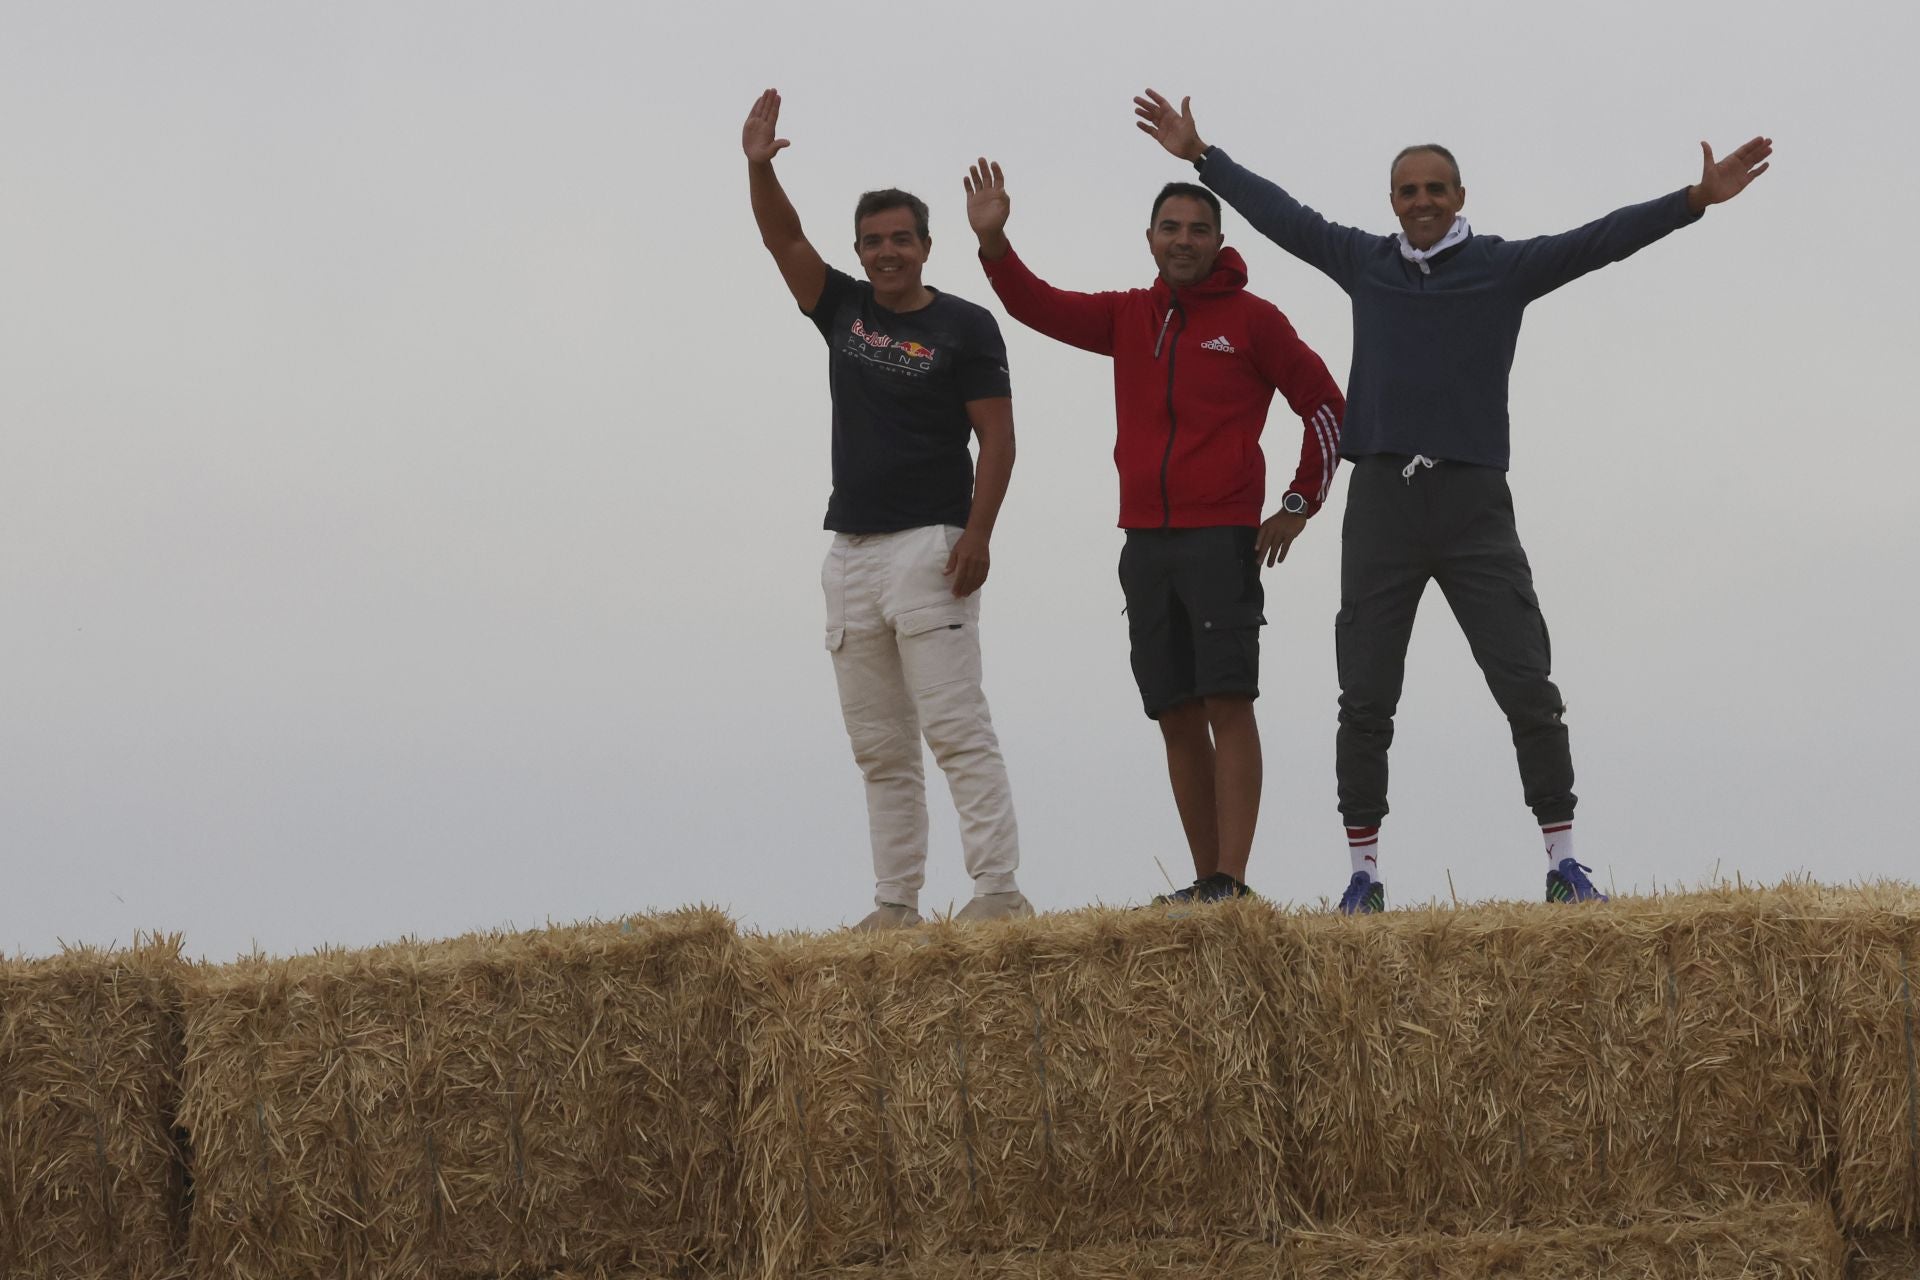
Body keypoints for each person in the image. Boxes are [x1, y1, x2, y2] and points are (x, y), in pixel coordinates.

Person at [1134, 87, 1772, 913]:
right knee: (1364, 696)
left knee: (1527, 682)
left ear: (1460, 198)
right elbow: (1283, 216)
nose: (1423, 201)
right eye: (1408, 190)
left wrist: (1694, 201)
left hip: (1474, 502)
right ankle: (1363, 874)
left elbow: (1600, 242)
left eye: (1437, 189)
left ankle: (1565, 860)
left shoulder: (1502, 268)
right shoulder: (1365, 262)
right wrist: (1201, 156)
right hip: (1382, 504)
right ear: (1392, 203)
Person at [964, 156, 1345, 905]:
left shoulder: (1253, 321)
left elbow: (1328, 404)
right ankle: (1207, 882)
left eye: (1198, 229)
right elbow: (1036, 306)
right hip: (1144, 544)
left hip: (1222, 541)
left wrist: (1300, 504)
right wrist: (994, 244)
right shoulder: (1127, 315)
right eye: (1170, 227)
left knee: (1228, 703)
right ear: (1148, 239)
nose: (1183, 239)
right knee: (1173, 712)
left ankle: (1232, 881)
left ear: (1218, 241)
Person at [742, 89, 1032, 929]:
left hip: (932, 546)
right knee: (880, 750)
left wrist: (979, 533)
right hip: (851, 554)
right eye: (872, 242)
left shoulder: (968, 327)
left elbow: (1001, 441)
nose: (886, 253)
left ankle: (999, 894)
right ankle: (894, 905)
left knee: (955, 728)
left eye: (901, 239)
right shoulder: (843, 309)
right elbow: (780, 236)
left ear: (926, 245)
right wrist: (759, 167)